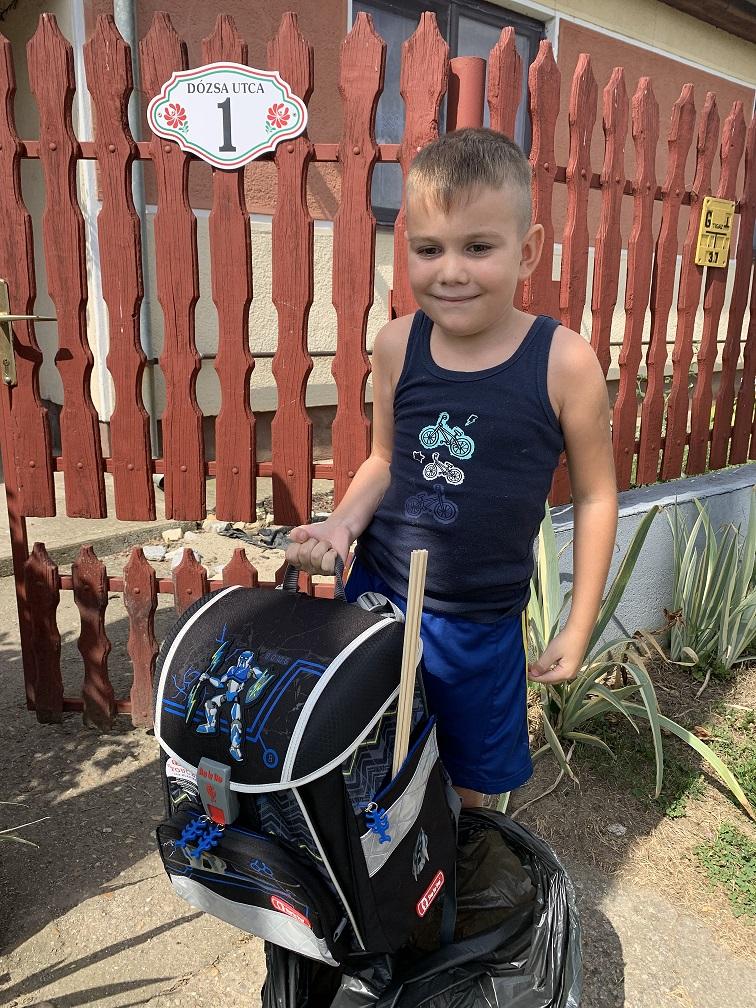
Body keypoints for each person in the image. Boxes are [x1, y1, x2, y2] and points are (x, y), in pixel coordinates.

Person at [286, 128, 618, 809]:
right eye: (429, 249)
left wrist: (579, 623)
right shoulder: (396, 345)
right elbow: (385, 459)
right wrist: (343, 523)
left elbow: (594, 497)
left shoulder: (564, 363)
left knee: (467, 786)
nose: (451, 272)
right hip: (379, 601)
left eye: (479, 247)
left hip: (479, 627)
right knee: (366, 757)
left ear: (528, 251)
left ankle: (455, 862)